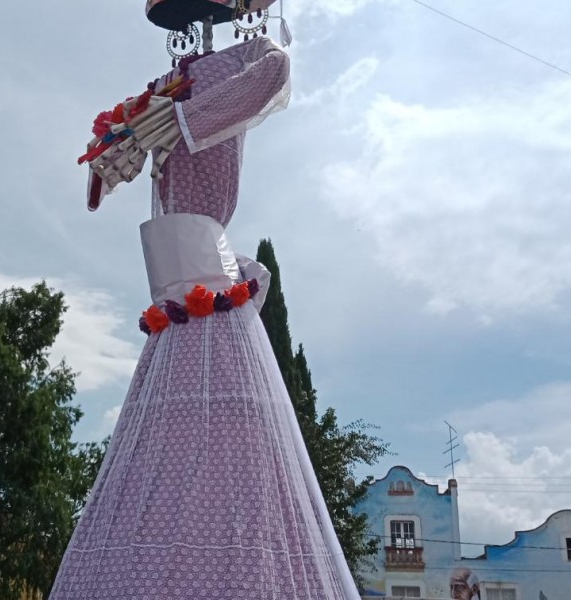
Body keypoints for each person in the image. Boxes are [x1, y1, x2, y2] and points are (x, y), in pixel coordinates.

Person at [49, 2, 358, 599]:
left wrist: (180, 120)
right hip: (174, 296)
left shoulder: (250, 61)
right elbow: (108, 157)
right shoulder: (167, 86)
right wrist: (129, 138)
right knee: (167, 450)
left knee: (228, 443)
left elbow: (274, 73)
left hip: (207, 280)